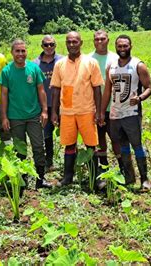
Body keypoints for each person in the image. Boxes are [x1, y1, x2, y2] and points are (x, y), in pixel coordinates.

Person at [50, 31, 104, 187]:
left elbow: (96, 89)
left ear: (81, 43)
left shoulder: (91, 62)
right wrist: (54, 111)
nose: (72, 45)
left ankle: (95, 178)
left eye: (75, 42)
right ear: (66, 44)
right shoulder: (59, 64)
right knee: (69, 144)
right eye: (69, 42)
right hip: (66, 111)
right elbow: (56, 90)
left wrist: (99, 112)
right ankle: (67, 178)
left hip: (86, 110)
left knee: (91, 145)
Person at [101, 34, 151, 190]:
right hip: (116, 114)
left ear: (131, 46)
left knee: (137, 145)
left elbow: (149, 87)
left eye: (125, 46)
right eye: (120, 46)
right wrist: (102, 112)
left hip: (132, 112)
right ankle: (129, 177)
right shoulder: (111, 66)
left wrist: (140, 98)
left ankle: (144, 179)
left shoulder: (138, 65)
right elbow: (107, 92)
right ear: (116, 47)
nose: (122, 49)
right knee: (122, 144)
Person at [0, 39, 52, 190]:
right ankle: (22, 180)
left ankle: (40, 179)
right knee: (19, 149)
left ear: (26, 52)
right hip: (15, 117)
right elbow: (3, 95)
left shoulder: (33, 68)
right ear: (12, 53)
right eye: (17, 51)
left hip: (34, 115)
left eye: (23, 51)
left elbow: (41, 90)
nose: (20, 54)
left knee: (38, 147)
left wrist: (44, 111)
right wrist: (4, 117)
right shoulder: (7, 71)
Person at [89, 30, 124, 174]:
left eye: (102, 39)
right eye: (97, 39)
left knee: (116, 138)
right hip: (93, 106)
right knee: (99, 137)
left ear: (108, 40)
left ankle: (123, 166)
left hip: (114, 107)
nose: (99, 42)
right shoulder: (89, 59)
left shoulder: (116, 58)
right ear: (93, 41)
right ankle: (104, 167)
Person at [33, 35, 63, 171]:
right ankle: (48, 162)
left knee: (67, 133)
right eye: (46, 45)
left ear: (55, 45)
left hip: (62, 105)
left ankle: (71, 163)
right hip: (44, 106)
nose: (49, 47)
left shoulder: (62, 61)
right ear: (42, 46)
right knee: (46, 134)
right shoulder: (35, 64)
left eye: (51, 44)